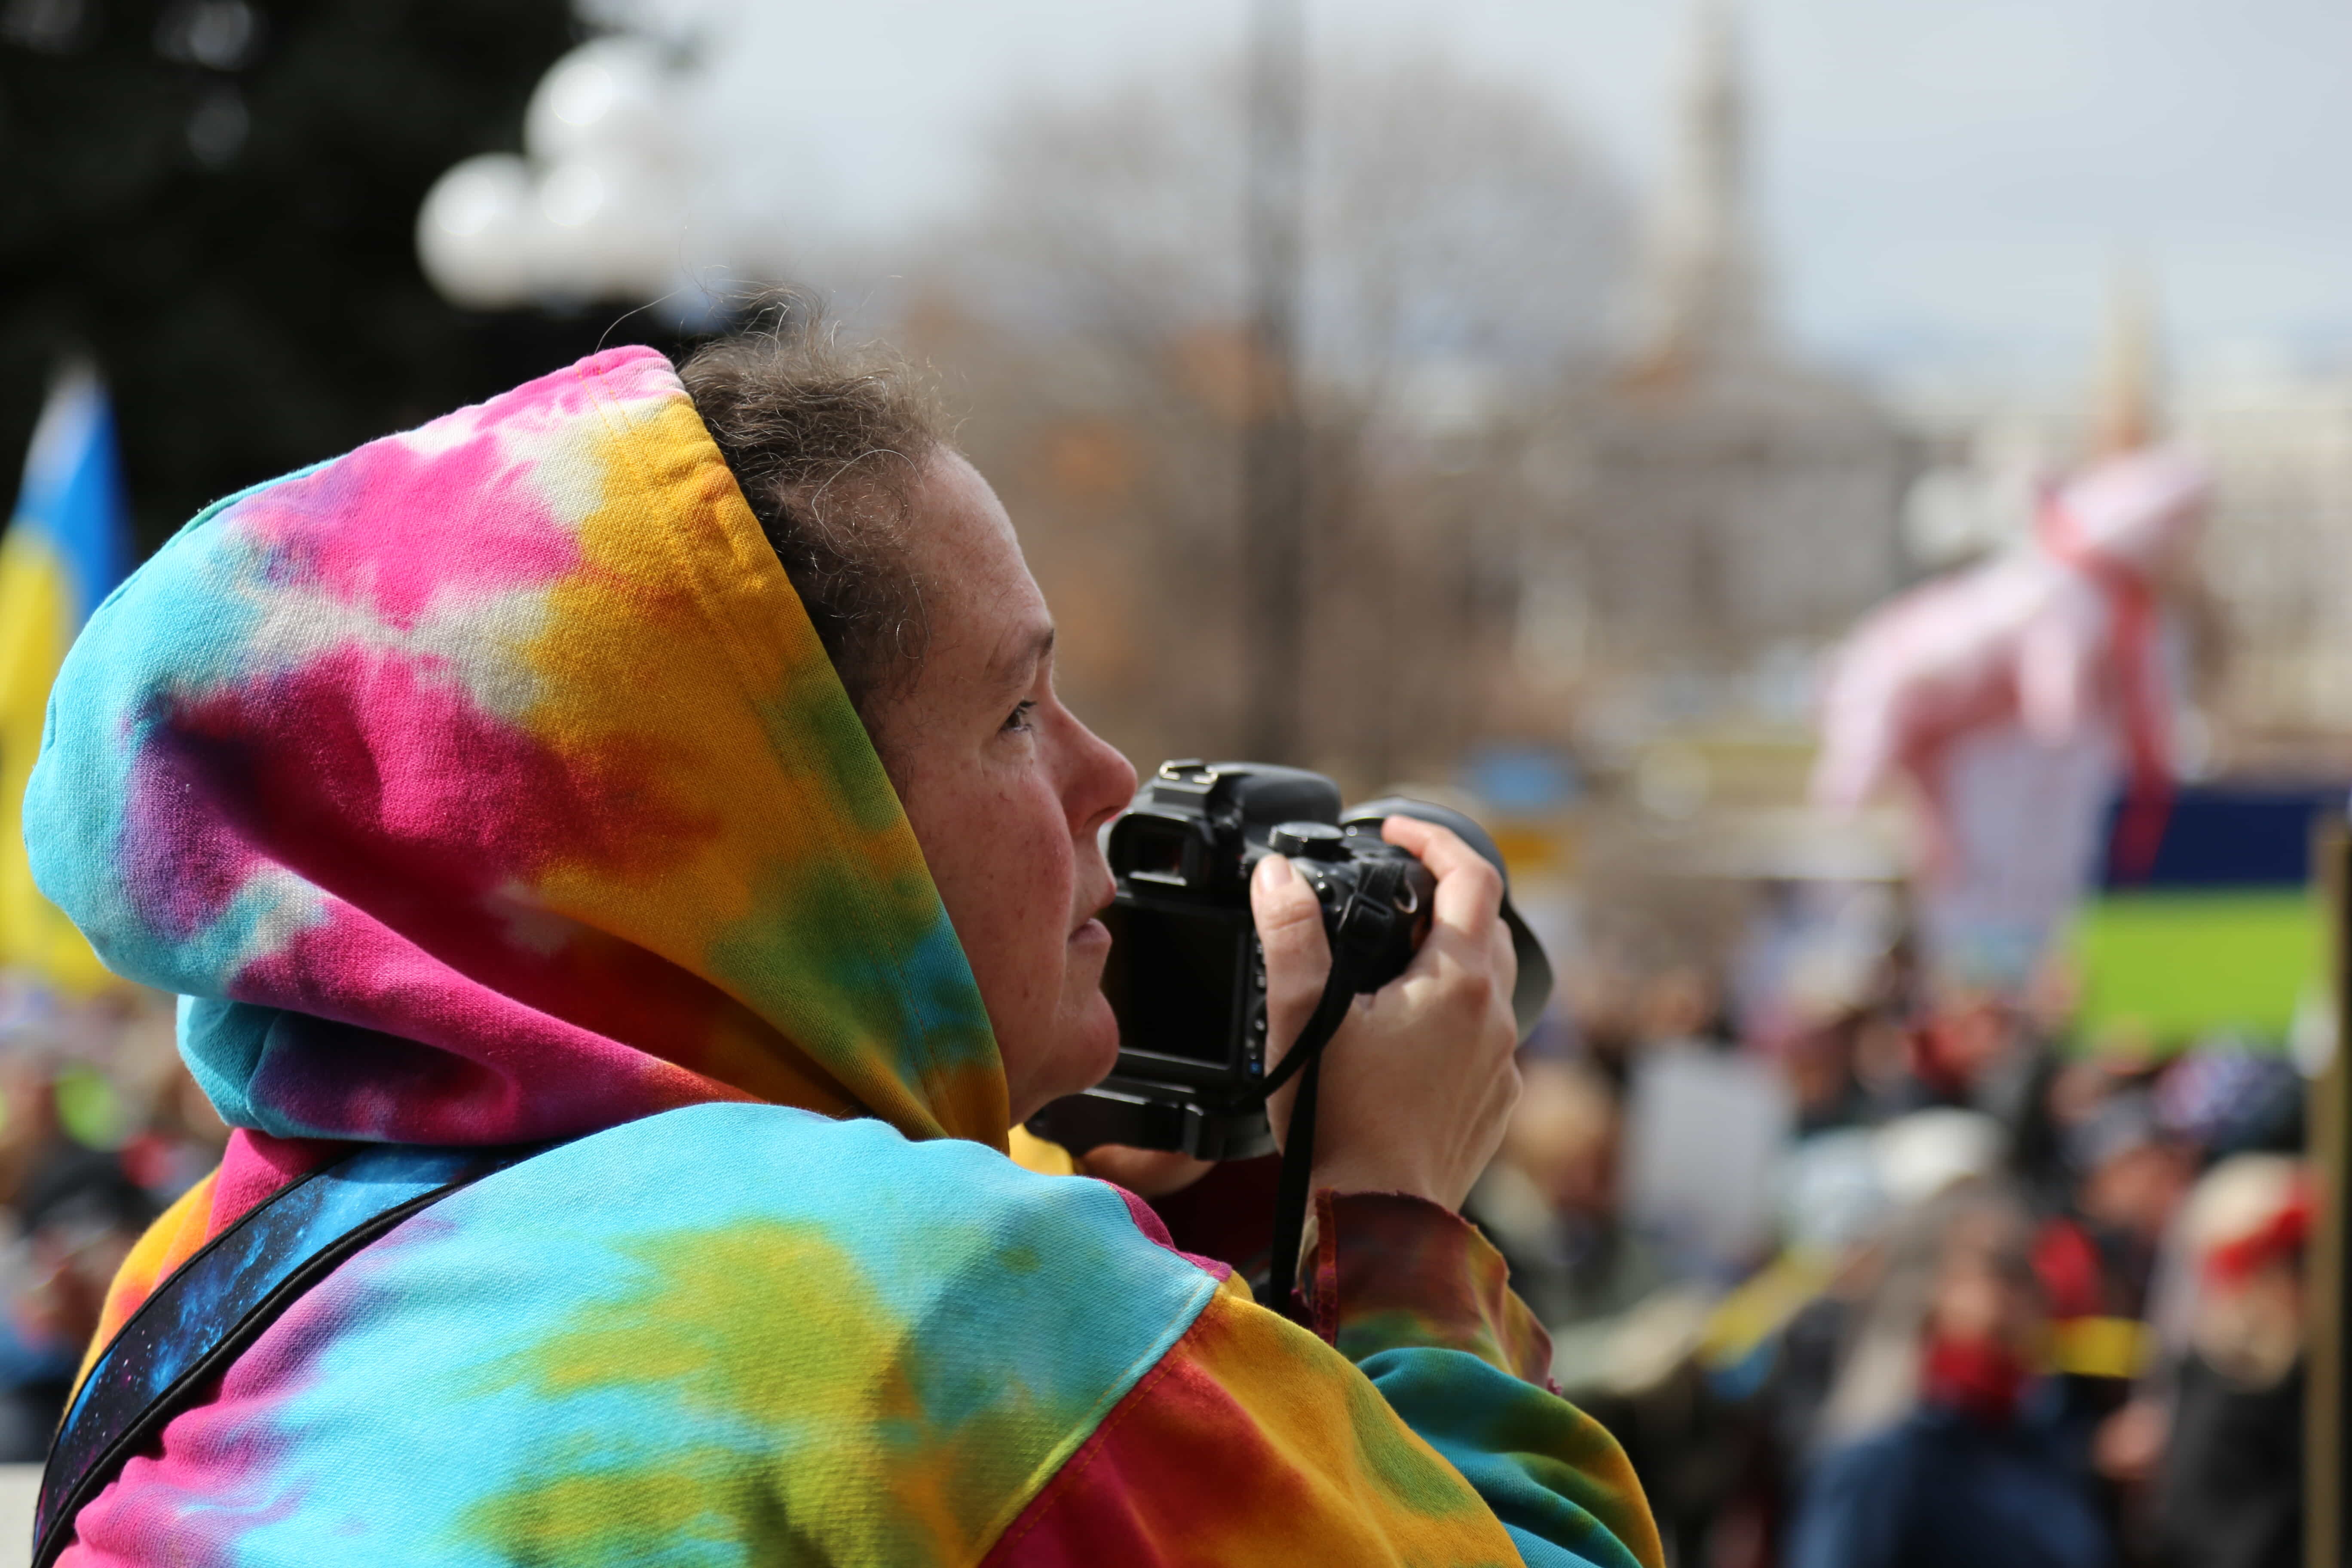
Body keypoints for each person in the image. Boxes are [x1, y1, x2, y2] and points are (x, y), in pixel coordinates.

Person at [23, 313, 1660, 1566]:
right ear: (803, 834)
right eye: (1015, 712)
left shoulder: (206, 1286)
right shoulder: (951, 1306)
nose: (1106, 776)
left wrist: (1195, 1223)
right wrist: (1396, 1223)